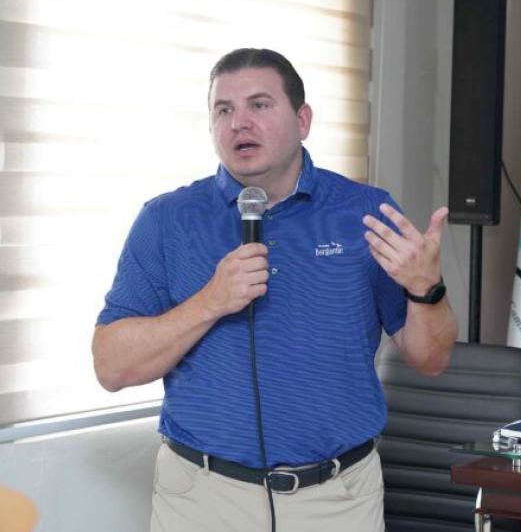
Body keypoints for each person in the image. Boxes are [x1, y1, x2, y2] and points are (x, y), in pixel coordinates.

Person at [92, 48, 458, 531]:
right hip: (203, 498)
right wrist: (210, 302)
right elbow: (111, 366)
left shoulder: (364, 213)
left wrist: (425, 289)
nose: (239, 123)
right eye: (224, 110)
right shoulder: (166, 220)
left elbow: (431, 358)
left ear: (303, 120)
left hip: (336, 498)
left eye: (259, 105)